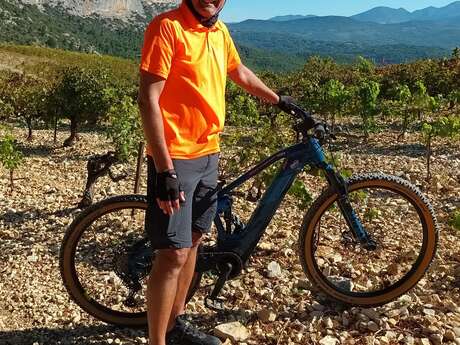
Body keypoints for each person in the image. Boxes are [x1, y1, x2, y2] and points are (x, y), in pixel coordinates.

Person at [138, 0, 295, 344]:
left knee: (193, 241)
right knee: (172, 254)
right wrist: (164, 168)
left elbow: (239, 73)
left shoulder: (219, 31)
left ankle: (175, 324)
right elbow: (149, 97)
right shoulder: (167, 27)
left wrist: (279, 101)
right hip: (176, 156)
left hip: (209, 152)